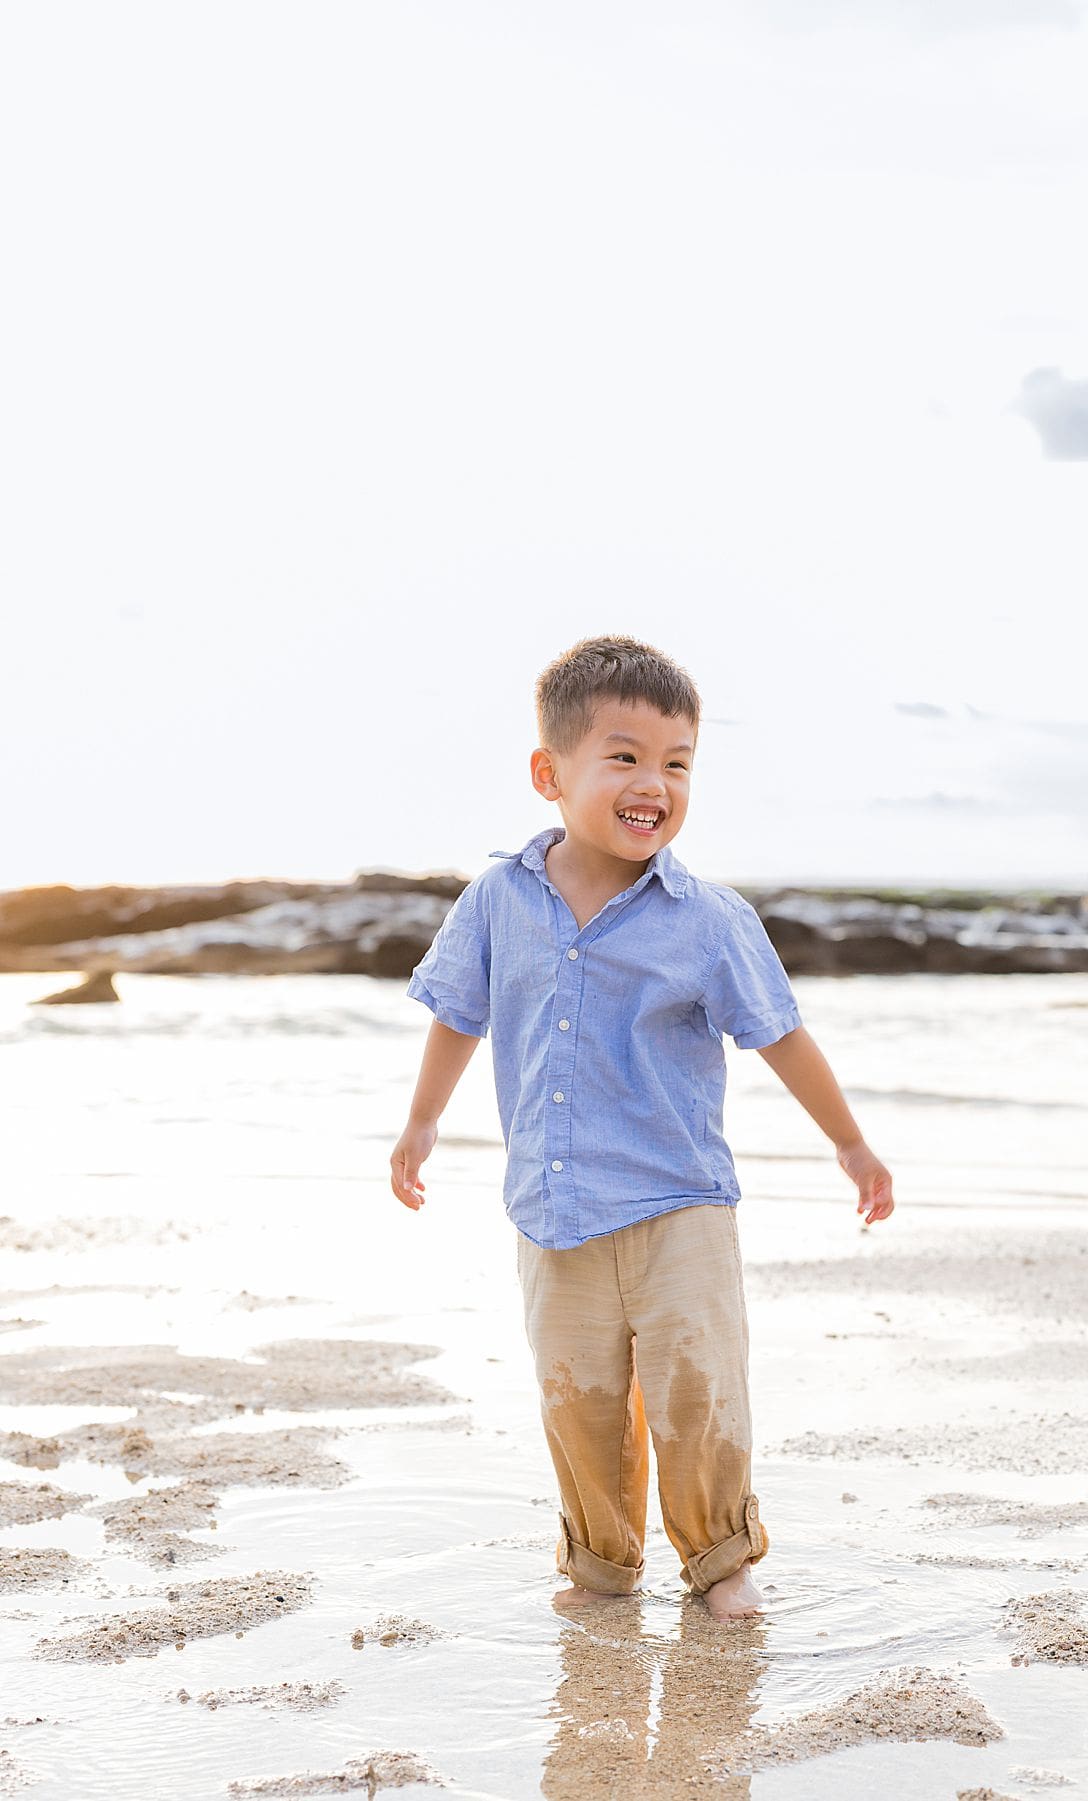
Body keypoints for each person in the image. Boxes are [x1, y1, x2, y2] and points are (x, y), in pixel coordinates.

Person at [390, 635, 895, 1620]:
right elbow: (459, 1009)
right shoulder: (498, 899)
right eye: (624, 756)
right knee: (576, 1399)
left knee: (696, 1389)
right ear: (551, 772)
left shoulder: (709, 919)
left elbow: (780, 1035)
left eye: (676, 763)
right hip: (555, 1205)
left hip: (680, 1204)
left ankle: (720, 1564)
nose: (653, 783)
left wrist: (852, 1142)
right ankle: (600, 1568)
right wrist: (420, 1122)